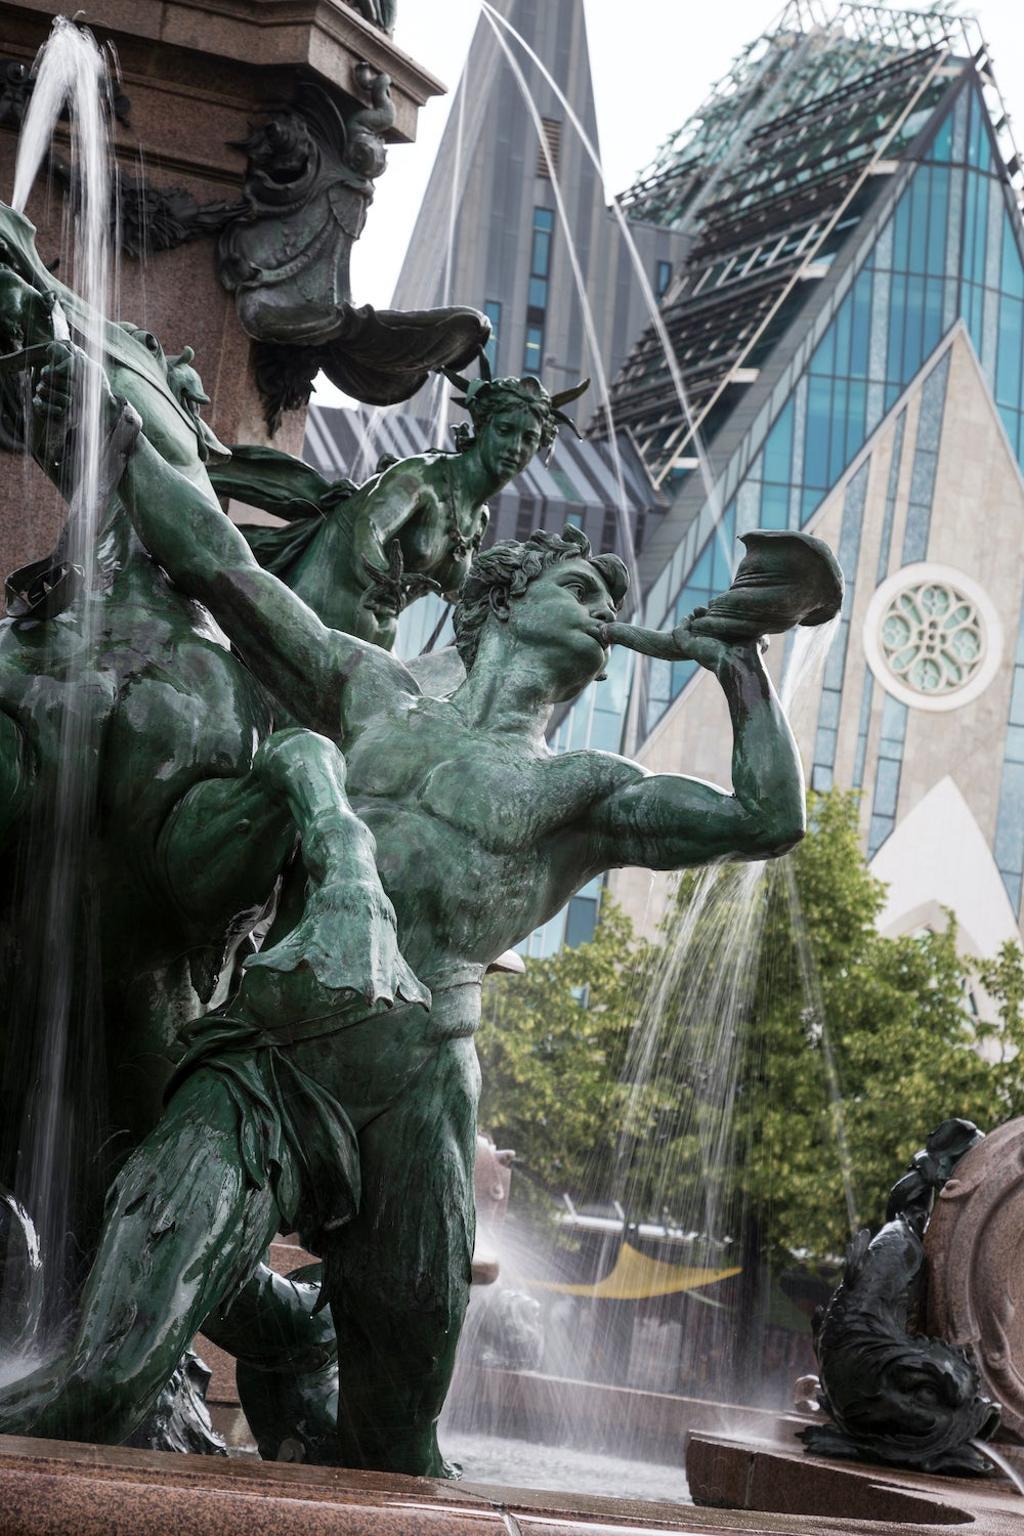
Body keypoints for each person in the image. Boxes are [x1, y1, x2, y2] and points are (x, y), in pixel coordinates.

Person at [0, 352, 805, 1476]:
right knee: (100, 1384)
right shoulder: (368, 688)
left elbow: (765, 820)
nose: (610, 613)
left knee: (395, 1450)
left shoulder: (586, 790)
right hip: (266, 1061)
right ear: (506, 599)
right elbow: (223, 566)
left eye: (618, 608)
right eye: (585, 591)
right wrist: (116, 444)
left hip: (418, 1093)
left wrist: (741, 672)